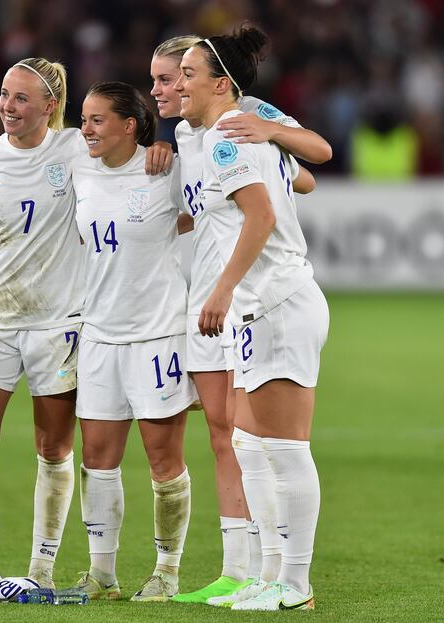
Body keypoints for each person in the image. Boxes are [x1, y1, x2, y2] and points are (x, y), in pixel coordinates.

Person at [0, 58, 173, 597]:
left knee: (54, 447)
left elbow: (123, 152)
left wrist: (161, 148)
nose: (7, 106)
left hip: (59, 322)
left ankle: (42, 567)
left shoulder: (74, 148)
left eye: (21, 98)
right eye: (3, 94)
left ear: (49, 105)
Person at [149, 34, 330, 605]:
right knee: (251, 445)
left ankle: (294, 584)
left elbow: (264, 212)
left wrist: (222, 289)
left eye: (185, 73)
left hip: (273, 300)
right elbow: (288, 185)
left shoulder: (234, 132)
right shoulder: (209, 135)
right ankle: (267, 577)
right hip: (259, 307)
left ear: (219, 82)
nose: (176, 83)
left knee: (285, 449)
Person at [71, 81, 194, 602]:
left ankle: (167, 571)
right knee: (97, 458)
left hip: (158, 335)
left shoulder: (166, 169)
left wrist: (169, 143)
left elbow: (205, 215)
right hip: (98, 334)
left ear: (130, 125)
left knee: (164, 460)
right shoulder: (78, 170)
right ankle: (102, 574)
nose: (86, 129)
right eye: (83, 119)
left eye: (98, 120)